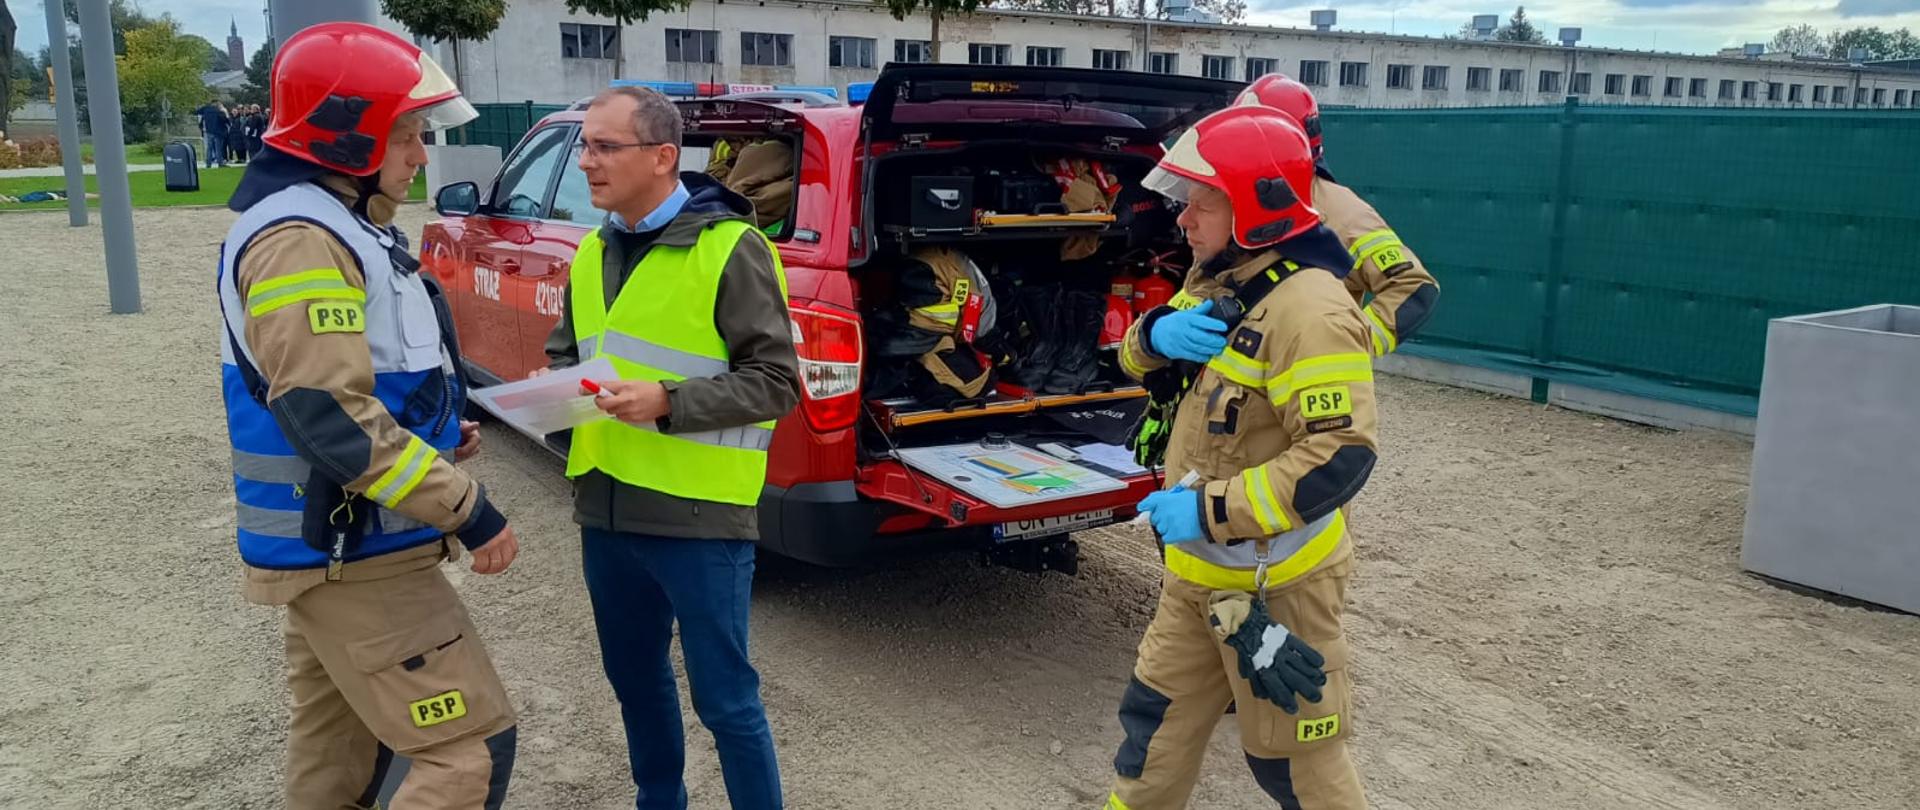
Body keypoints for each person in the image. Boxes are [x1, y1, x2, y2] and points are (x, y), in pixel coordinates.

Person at [215, 23, 519, 809]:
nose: (422, 154)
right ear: (344, 137)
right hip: (356, 546)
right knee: (469, 751)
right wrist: (470, 510)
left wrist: (441, 437)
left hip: (340, 543)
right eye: (409, 134)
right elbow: (326, 415)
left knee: (340, 758)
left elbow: (363, 386)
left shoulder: (335, 224)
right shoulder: (301, 239)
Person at [535, 85, 799, 809]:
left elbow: (776, 383)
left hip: (698, 518)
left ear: (661, 156)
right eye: (584, 145)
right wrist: (546, 394)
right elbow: (569, 354)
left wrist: (668, 402)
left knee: (727, 704)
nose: (585, 161)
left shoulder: (730, 248)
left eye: (602, 147)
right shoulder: (593, 250)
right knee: (636, 683)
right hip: (608, 510)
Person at [1109, 106, 1378, 809]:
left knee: (1297, 766)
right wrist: (1157, 334)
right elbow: (1135, 361)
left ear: (1256, 209)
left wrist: (1204, 508)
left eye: (1202, 202)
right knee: (1151, 736)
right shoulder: (1218, 280)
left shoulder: (1310, 311)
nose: (1182, 219)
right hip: (1197, 581)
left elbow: (1340, 455)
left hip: (1278, 588)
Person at [1237, 75, 1440, 356]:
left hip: (1308, 382)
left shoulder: (1341, 212)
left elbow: (1414, 287)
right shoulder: (1242, 199)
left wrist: (1350, 346)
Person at [194, 98, 228, 168]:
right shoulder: (219, 111)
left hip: (209, 131)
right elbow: (224, 120)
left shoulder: (206, 109)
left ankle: (208, 164)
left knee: (209, 148)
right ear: (216, 103)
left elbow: (196, 112)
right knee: (218, 148)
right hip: (218, 132)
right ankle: (220, 163)